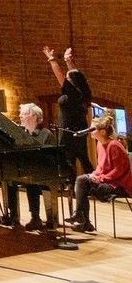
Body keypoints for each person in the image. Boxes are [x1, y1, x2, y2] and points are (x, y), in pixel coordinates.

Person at [70, 113, 132, 233]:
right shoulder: (99, 144)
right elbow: (100, 166)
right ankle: (82, 218)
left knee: (86, 187)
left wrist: (101, 178)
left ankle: (83, 220)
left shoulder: (114, 146)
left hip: (119, 184)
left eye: (93, 129)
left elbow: (118, 170)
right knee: (82, 180)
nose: (90, 131)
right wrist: (94, 175)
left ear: (103, 132)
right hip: (107, 180)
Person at [4, 103, 56, 230]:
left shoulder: (46, 134)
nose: (20, 116)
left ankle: (36, 218)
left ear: (34, 117)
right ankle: (13, 216)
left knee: (31, 182)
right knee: (9, 180)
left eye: (24, 114)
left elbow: (49, 159)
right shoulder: (22, 134)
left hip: (46, 172)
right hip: (29, 170)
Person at [45, 45, 92, 182]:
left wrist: (52, 59)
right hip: (79, 128)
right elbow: (74, 74)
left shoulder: (72, 92)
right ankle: (93, 185)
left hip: (69, 130)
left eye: (68, 78)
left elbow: (60, 76)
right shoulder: (81, 92)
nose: (66, 77)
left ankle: (72, 186)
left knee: (69, 159)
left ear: (72, 82)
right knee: (83, 158)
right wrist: (68, 60)